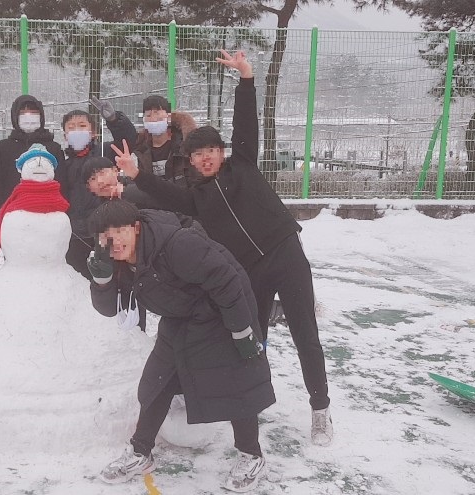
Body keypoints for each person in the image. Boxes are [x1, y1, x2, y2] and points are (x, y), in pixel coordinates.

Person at [116, 50, 334, 447]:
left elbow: (246, 124)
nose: (206, 158)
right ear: (191, 161)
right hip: (250, 271)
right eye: (198, 155)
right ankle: (254, 401)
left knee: (305, 332)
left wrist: (246, 78)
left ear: (221, 151)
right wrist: (137, 174)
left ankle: (320, 408)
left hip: (285, 254)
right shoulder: (194, 199)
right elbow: (162, 193)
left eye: (211, 151)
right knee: (252, 340)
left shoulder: (244, 165)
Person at [87, 200, 274, 493]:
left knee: (234, 382)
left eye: (120, 231)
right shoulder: (117, 261)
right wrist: (102, 282)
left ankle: (252, 456)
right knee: (156, 382)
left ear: (136, 228)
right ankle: (140, 452)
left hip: (220, 311)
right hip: (180, 315)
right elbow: (113, 308)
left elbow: (227, 281)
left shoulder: (178, 244)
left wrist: (241, 330)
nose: (114, 242)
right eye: (106, 237)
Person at [62, 99, 136, 279]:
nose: (77, 131)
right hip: (75, 234)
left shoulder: (105, 151)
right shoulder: (63, 165)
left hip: (107, 229)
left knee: (112, 276)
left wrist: (114, 120)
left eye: (82, 126)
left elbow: (127, 140)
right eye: (71, 127)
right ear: (65, 135)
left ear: (93, 132)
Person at [0, 95, 64, 264]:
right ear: (15, 116)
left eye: (33, 112)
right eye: (23, 112)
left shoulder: (53, 148)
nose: (28, 115)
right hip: (14, 222)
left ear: (41, 116)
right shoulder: (1, 148)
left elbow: (62, 186)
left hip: (47, 220)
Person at [111, 94, 197, 187]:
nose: (153, 118)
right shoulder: (139, 149)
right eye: (148, 115)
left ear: (168, 116)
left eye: (157, 113)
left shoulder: (185, 146)